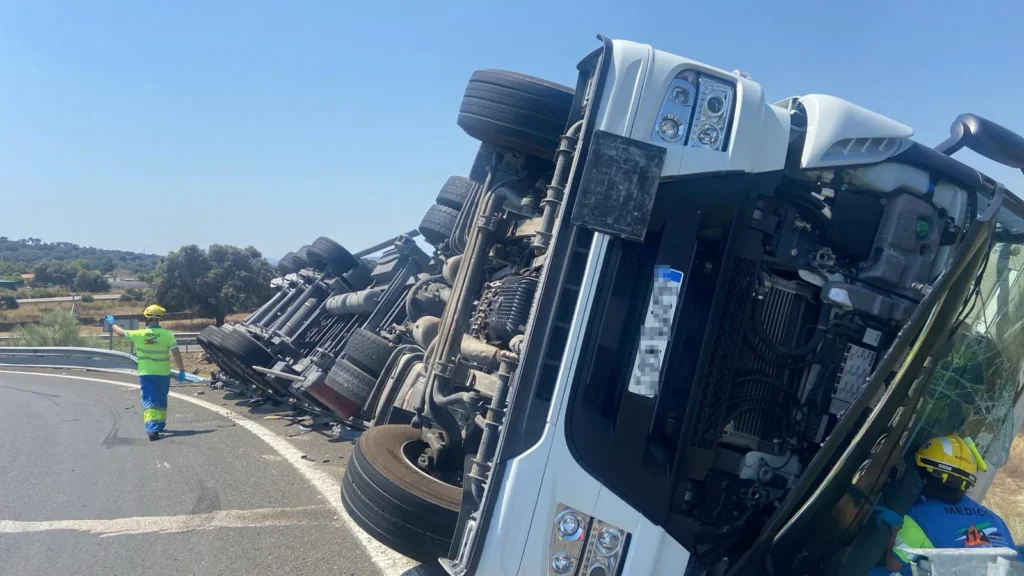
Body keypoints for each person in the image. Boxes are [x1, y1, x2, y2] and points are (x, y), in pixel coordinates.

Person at [875, 434, 1020, 574]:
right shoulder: (993, 518)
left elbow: (894, 565)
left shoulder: (920, 517)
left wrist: (896, 530)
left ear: (925, 478)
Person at [106, 304, 186, 441]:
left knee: (149, 399)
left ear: (146, 318)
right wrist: (182, 370)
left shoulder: (139, 335)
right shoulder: (168, 335)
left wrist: (112, 323)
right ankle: (160, 424)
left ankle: (152, 429)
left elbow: (120, 332)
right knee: (161, 399)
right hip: (163, 374)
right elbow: (176, 353)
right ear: (159, 318)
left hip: (147, 374)